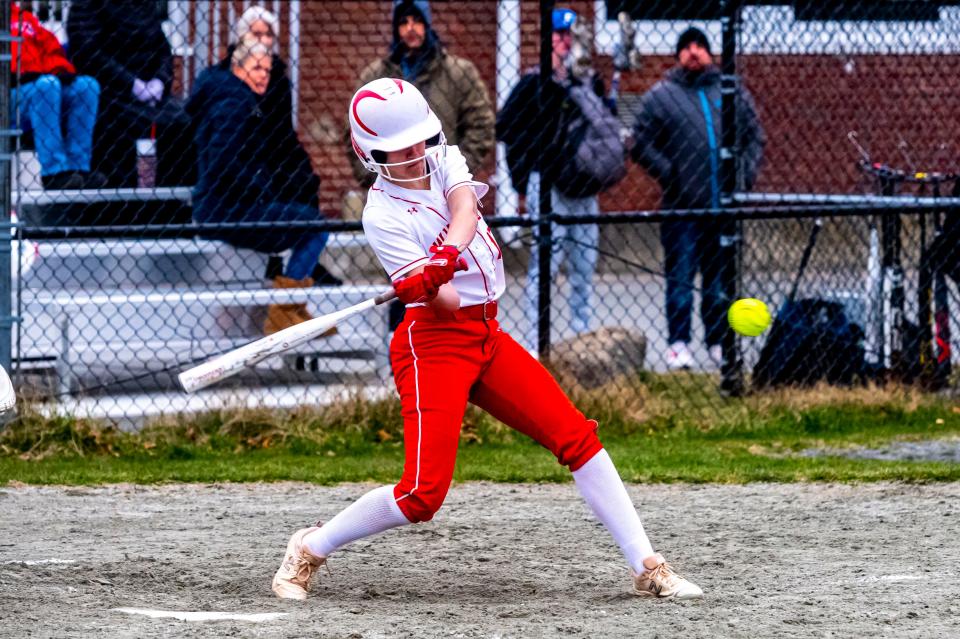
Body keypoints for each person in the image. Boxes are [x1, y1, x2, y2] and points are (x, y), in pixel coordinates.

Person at [270, 78, 702, 602]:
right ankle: (311, 546)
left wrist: (444, 255)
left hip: (486, 333)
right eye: (398, 150)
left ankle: (648, 565)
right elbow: (445, 303)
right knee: (422, 495)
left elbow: (465, 211)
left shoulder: (443, 158)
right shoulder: (381, 215)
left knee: (577, 438)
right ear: (371, 154)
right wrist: (427, 285)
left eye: (418, 143)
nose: (414, 156)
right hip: (433, 344)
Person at [630, 27, 765, 369]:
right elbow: (640, 143)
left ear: (709, 52)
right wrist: (671, 174)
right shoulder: (662, 96)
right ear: (677, 55)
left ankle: (717, 342)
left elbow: (753, 138)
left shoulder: (729, 90)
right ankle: (678, 344)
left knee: (718, 279)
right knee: (681, 277)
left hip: (722, 205)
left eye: (700, 46)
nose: (694, 52)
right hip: (682, 207)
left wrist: (742, 176)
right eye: (687, 47)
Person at [186, 36, 334, 335]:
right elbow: (222, 159)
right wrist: (258, 187)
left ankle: (287, 306)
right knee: (316, 226)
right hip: (230, 211)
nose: (263, 76)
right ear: (238, 69)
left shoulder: (232, 98)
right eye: (255, 68)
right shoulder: (235, 103)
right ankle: (285, 310)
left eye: (266, 70)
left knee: (305, 222)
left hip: (224, 207)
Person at [496, 8, 608, 351]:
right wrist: (530, 164)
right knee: (545, 263)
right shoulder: (534, 83)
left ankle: (581, 332)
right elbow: (505, 127)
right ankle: (535, 341)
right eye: (559, 36)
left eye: (570, 37)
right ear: (548, 42)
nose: (564, 43)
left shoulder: (589, 83)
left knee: (583, 263)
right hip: (549, 184)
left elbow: (605, 127)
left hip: (583, 186)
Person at [212, 5, 340, 285]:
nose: (261, 39)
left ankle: (304, 259)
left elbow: (281, 125)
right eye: (254, 33)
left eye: (267, 34)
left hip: (275, 145)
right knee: (266, 180)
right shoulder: (227, 74)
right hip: (245, 149)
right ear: (241, 37)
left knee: (302, 176)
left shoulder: (278, 74)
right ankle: (285, 260)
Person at [348, 0, 495, 188]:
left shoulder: (459, 72)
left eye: (417, 20)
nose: (410, 28)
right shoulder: (375, 77)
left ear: (427, 24)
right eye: (403, 22)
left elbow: (481, 125)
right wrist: (378, 178)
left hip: (443, 181)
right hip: (391, 183)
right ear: (395, 28)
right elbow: (355, 131)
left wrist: (452, 170)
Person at [66, 0, 193, 187]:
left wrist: (159, 81)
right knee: (117, 127)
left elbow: (162, 48)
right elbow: (87, 51)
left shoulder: (142, 4)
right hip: (109, 89)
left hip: (151, 89)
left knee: (184, 120)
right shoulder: (88, 4)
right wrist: (132, 85)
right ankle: (122, 204)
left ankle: (170, 202)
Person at [10, 3, 103, 190]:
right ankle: (54, 173)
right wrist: (15, 75)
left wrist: (59, 70)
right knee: (46, 86)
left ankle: (79, 168)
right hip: (10, 94)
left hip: (37, 89)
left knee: (87, 87)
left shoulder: (25, 19)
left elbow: (51, 49)